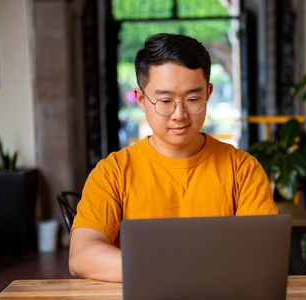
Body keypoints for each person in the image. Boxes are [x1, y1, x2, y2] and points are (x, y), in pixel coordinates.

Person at [69, 33, 277, 282]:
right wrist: (175, 269)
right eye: (165, 101)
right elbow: (82, 255)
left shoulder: (242, 169)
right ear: (141, 100)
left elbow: (260, 255)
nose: (179, 114)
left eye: (192, 99)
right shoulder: (113, 171)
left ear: (208, 94)